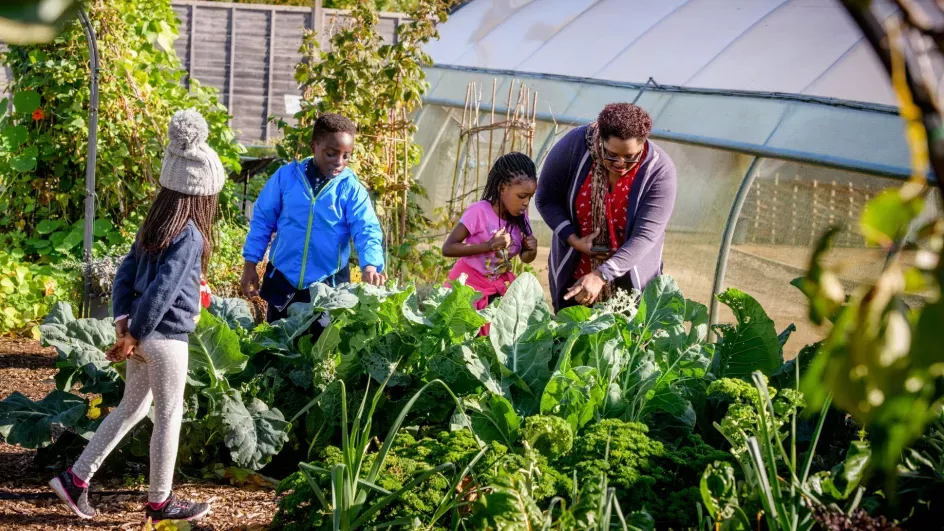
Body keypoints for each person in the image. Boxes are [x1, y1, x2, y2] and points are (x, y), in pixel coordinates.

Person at [49, 109, 222, 522]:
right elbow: (164, 289)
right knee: (169, 417)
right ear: (203, 194)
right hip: (165, 339)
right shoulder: (191, 234)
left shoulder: (155, 224)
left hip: (143, 335)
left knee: (132, 409)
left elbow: (126, 273)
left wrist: (124, 323)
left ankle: (76, 479)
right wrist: (137, 332)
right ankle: (160, 502)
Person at [241, 113, 386, 324]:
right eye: (331, 153)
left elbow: (366, 229)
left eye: (346, 156)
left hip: (327, 286)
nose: (339, 162)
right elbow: (262, 221)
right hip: (283, 281)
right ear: (314, 146)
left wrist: (370, 265)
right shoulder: (286, 177)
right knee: (277, 346)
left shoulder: (350, 188)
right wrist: (250, 263)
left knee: (319, 349)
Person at [536, 103, 676, 311]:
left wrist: (601, 274)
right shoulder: (574, 146)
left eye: (630, 157)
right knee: (570, 335)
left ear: (642, 143)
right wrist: (574, 240)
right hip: (577, 277)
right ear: (600, 139)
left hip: (630, 279)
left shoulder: (659, 170)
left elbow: (645, 236)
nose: (620, 163)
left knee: (626, 338)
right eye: (611, 154)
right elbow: (546, 199)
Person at [442, 152, 538, 326]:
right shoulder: (479, 211)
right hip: (467, 288)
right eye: (521, 196)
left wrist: (531, 250)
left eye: (530, 197)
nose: (526, 203)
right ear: (502, 188)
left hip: (497, 288)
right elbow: (448, 248)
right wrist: (488, 245)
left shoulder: (520, 219)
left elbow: (525, 258)